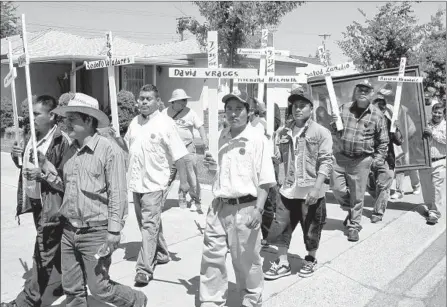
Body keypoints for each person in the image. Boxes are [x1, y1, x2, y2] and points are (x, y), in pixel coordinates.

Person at [44, 93, 148, 306]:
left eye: (73, 119)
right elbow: (67, 187)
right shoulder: (70, 149)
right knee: (72, 288)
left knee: (100, 289)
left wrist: (113, 231)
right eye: (67, 118)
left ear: (89, 120)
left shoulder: (109, 149)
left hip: (96, 232)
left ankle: (136, 300)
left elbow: (118, 193)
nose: (67, 123)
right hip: (69, 231)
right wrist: (46, 171)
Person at [200, 90, 276, 307]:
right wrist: (211, 167)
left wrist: (258, 210)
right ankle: (211, 300)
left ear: (249, 112)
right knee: (212, 258)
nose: (233, 114)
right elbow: (216, 173)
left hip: (245, 208)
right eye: (229, 109)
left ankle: (251, 298)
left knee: (246, 261)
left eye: (238, 109)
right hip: (219, 207)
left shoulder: (257, 139)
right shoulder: (220, 137)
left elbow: (265, 179)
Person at [1, 95, 70, 307]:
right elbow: (25, 166)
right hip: (36, 201)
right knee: (55, 247)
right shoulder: (33, 134)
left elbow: (63, 179)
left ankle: (28, 300)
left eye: (36, 114)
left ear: (51, 115)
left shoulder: (60, 141)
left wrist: (43, 174)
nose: (30, 117)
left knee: (42, 251)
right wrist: (17, 155)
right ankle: (70, 281)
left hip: (53, 204)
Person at [124, 84, 189, 286]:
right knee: (148, 224)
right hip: (136, 183)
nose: (143, 102)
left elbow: (179, 155)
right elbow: (127, 148)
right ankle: (161, 253)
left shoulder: (166, 123)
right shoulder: (134, 123)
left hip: (155, 183)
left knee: (149, 225)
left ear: (157, 102)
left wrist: (184, 183)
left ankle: (144, 269)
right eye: (141, 98)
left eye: (148, 99)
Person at [264, 92, 333, 280]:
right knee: (281, 227)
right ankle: (283, 262)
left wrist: (317, 188)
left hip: (310, 191)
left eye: (303, 105)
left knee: (310, 228)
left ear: (311, 108)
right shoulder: (283, 132)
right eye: (295, 105)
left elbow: (326, 162)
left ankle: (310, 258)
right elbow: (279, 159)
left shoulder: (320, 132)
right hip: (287, 190)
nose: (298, 109)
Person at [330, 80, 389, 242]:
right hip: (341, 157)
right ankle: (352, 212)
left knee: (357, 195)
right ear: (355, 92)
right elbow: (335, 130)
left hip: (362, 160)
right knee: (337, 188)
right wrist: (334, 122)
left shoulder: (377, 115)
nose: (363, 92)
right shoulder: (344, 108)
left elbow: (383, 141)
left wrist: (377, 160)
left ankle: (354, 226)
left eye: (367, 90)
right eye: (360, 89)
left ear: (371, 94)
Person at [163, 89, 208, 212]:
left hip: (187, 148)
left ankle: (195, 200)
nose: (185, 103)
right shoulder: (164, 113)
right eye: (182, 100)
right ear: (174, 102)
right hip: (170, 150)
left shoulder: (191, 112)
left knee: (191, 175)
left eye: (185, 100)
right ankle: (159, 201)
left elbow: (200, 126)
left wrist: (204, 139)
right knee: (167, 175)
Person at [366, 96, 404, 223]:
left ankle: (378, 212)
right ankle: (380, 199)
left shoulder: (389, 123)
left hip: (386, 160)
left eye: (378, 109)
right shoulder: (364, 121)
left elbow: (399, 141)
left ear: (383, 110)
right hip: (367, 160)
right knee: (370, 186)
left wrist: (396, 129)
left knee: (382, 186)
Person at [420, 102, 446, 225]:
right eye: (435, 112)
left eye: (439, 113)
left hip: (439, 161)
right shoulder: (425, 124)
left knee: (437, 188)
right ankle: (430, 208)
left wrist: (432, 133)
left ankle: (435, 213)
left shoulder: (445, 125)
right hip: (424, 162)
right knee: (426, 187)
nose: (436, 115)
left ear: (443, 114)